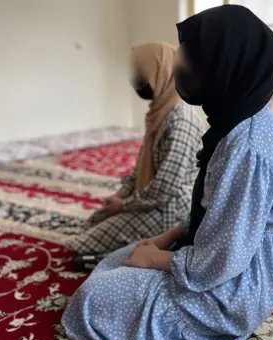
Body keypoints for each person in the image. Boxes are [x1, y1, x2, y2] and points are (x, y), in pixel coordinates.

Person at [62, 5, 273, 340]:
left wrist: (157, 260)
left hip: (228, 291)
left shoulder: (248, 147)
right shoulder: (234, 123)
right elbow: (215, 209)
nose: (181, 67)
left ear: (225, 64)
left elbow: (223, 257)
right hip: (212, 257)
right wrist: (169, 238)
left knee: (91, 299)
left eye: (191, 58)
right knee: (117, 259)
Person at [67, 42, 203, 255]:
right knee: (92, 223)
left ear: (161, 72)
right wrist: (120, 197)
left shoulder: (180, 120)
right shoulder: (158, 113)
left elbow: (165, 188)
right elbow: (139, 170)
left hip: (170, 211)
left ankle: (157, 247)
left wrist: (123, 206)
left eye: (142, 73)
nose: (137, 80)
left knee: (80, 246)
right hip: (149, 202)